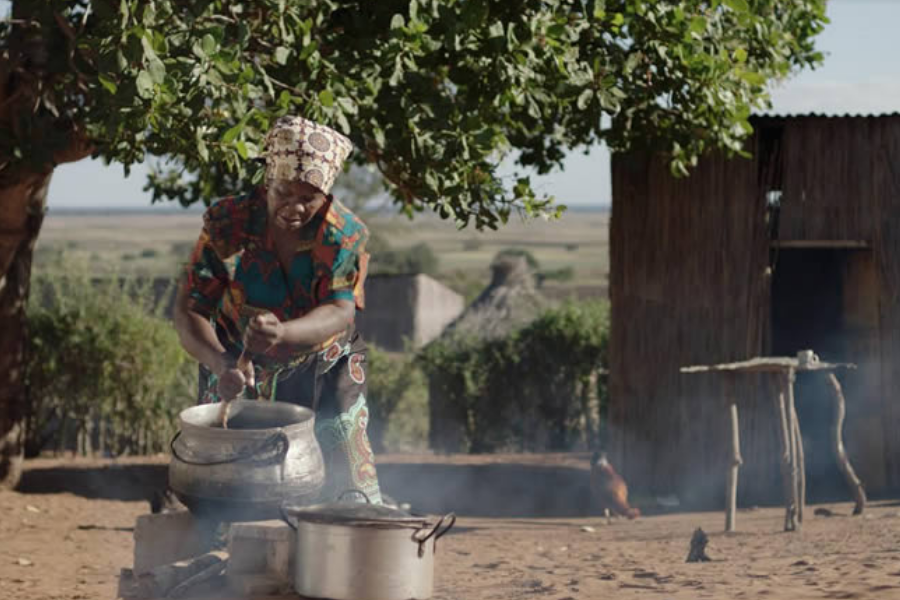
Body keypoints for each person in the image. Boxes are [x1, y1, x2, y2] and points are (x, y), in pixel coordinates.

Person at [172, 115, 382, 504]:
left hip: (324, 362)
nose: (295, 208)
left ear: (326, 195)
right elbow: (189, 310)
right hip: (233, 358)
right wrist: (222, 364)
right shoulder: (227, 224)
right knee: (224, 475)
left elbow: (340, 310)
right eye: (284, 192)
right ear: (267, 181)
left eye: (309, 198)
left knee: (341, 473)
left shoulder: (343, 233)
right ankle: (223, 555)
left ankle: (340, 545)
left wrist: (284, 333)